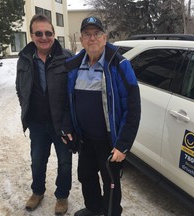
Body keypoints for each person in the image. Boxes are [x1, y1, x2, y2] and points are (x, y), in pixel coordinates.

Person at [66, 16, 141, 216]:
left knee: (111, 183)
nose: (92, 38)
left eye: (97, 34)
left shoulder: (119, 65)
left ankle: (110, 213)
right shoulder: (74, 65)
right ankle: (93, 208)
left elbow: (132, 108)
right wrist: (70, 129)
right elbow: (70, 101)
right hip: (85, 138)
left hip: (110, 140)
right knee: (86, 176)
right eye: (87, 34)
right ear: (81, 39)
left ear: (105, 38)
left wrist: (123, 144)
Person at [15, 14, 73, 215]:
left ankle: (62, 196)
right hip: (37, 124)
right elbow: (19, 87)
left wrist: (69, 122)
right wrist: (27, 110)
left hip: (61, 124)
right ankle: (37, 192)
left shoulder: (66, 58)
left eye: (48, 33)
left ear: (54, 34)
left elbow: (73, 94)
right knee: (38, 160)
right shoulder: (24, 58)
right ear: (31, 35)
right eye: (38, 33)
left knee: (65, 163)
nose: (44, 37)